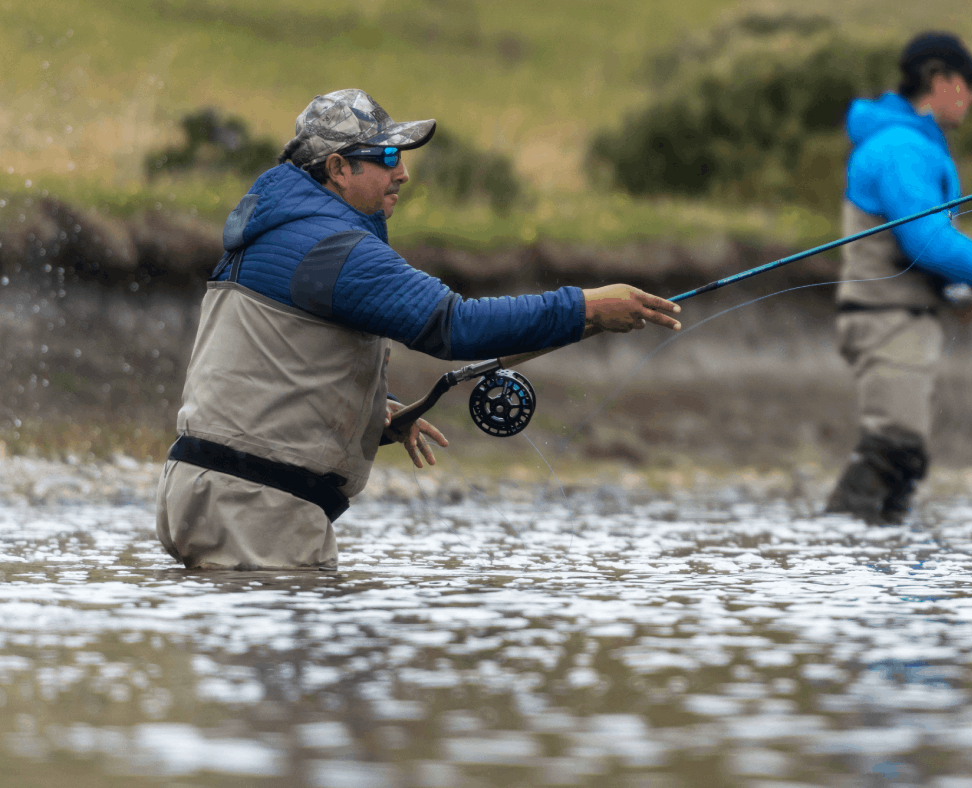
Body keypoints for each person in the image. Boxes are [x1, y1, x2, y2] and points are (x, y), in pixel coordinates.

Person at [156, 89, 681, 570]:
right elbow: (454, 326)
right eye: (386, 158)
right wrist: (585, 307)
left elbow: (268, 355)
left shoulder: (274, 232)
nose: (402, 172)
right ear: (337, 168)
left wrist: (369, 413)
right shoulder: (332, 248)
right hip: (252, 506)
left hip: (202, 492)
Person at [824, 32, 972, 525]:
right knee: (893, 448)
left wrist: (956, 290)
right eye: (968, 82)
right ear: (938, 80)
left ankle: (877, 567)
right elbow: (926, 243)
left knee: (904, 462)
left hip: (898, 319)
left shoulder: (907, 145)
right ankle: (835, 564)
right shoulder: (901, 149)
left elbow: (914, 244)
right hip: (887, 322)